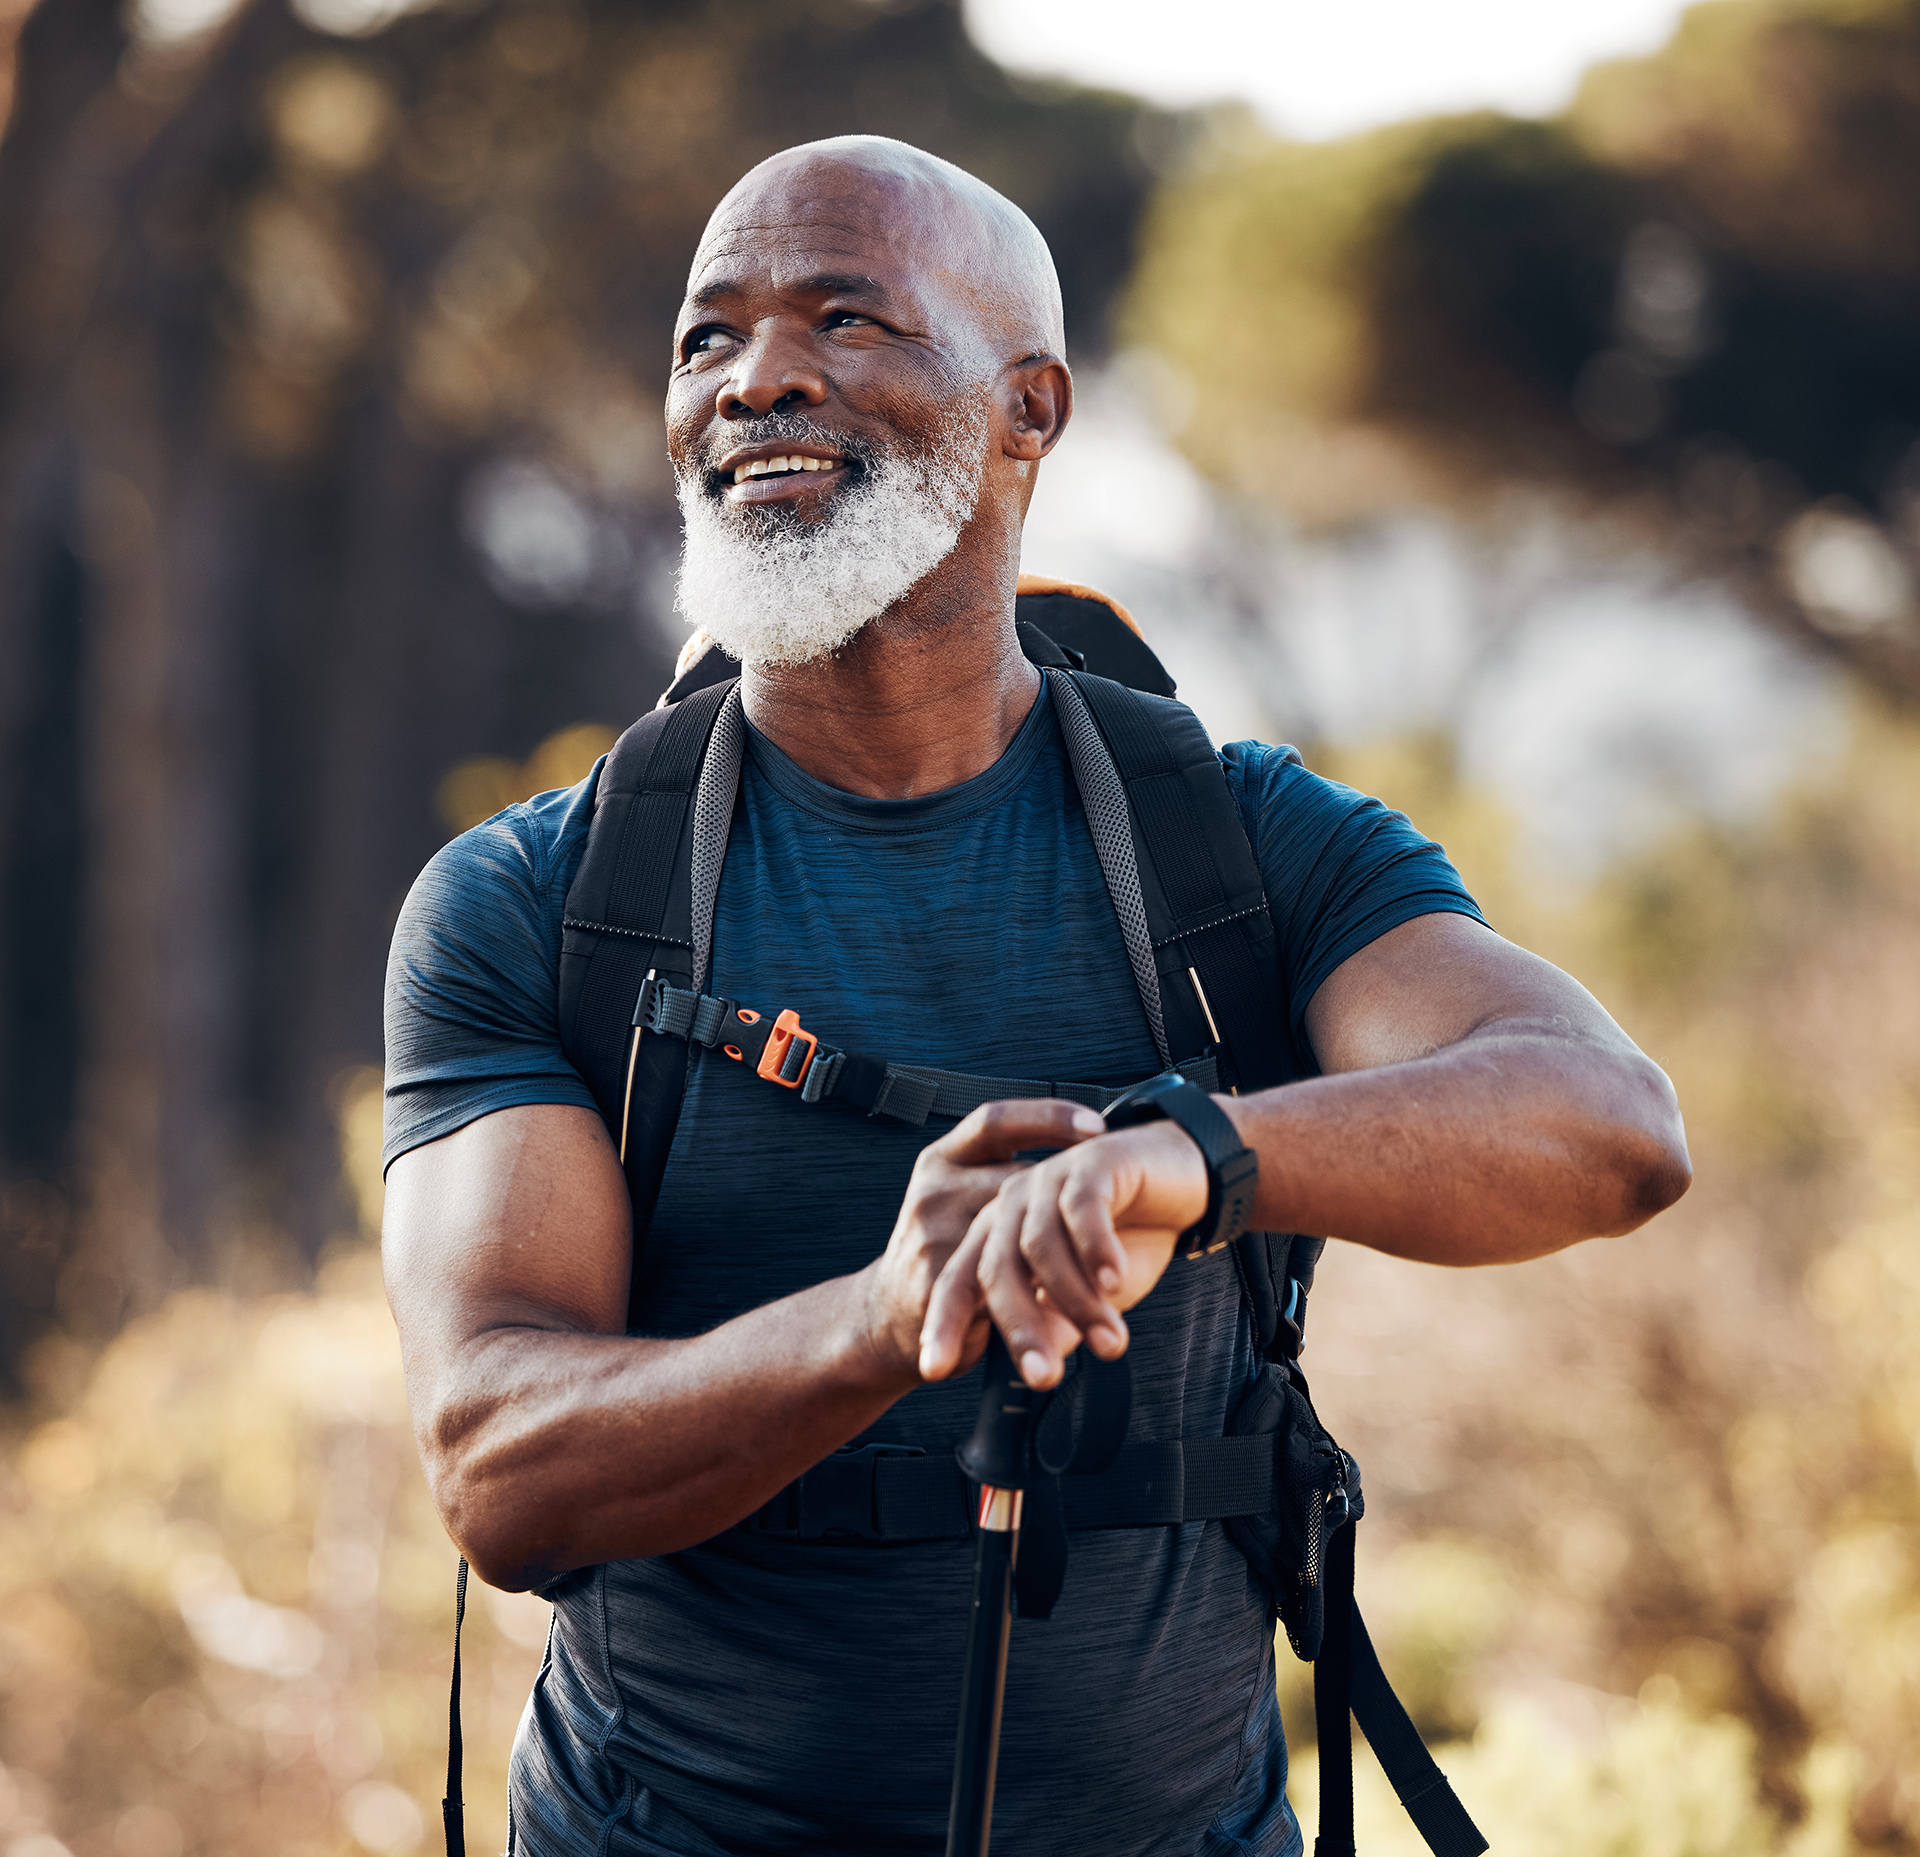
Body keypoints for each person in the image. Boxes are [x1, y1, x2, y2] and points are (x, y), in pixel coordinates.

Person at [381, 135, 1691, 1857]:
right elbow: (500, 1465)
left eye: (848, 319)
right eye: (709, 339)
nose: (759, 375)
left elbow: (1610, 1128)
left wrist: (1181, 1161)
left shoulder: (1243, 847)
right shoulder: (542, 902)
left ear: (1032, 410)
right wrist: (887, 1318)